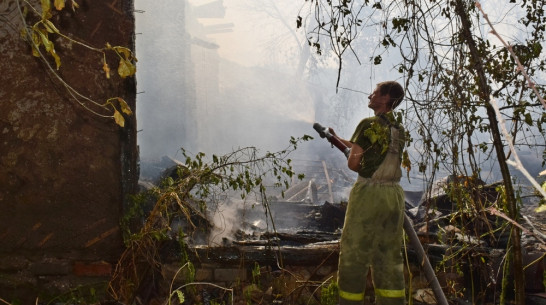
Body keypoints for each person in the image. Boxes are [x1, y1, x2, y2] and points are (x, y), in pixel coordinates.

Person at [330, 81, 406, 305]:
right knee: (388, 255)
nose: (370, 96)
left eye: (375, 92)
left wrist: (351, 156)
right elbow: (365, 150)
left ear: (385, 99)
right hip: (394, 197)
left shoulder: (367, 124)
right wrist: (335, 138)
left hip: (369, 196)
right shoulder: (398, 129)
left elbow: (355, 163)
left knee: (355, 252)